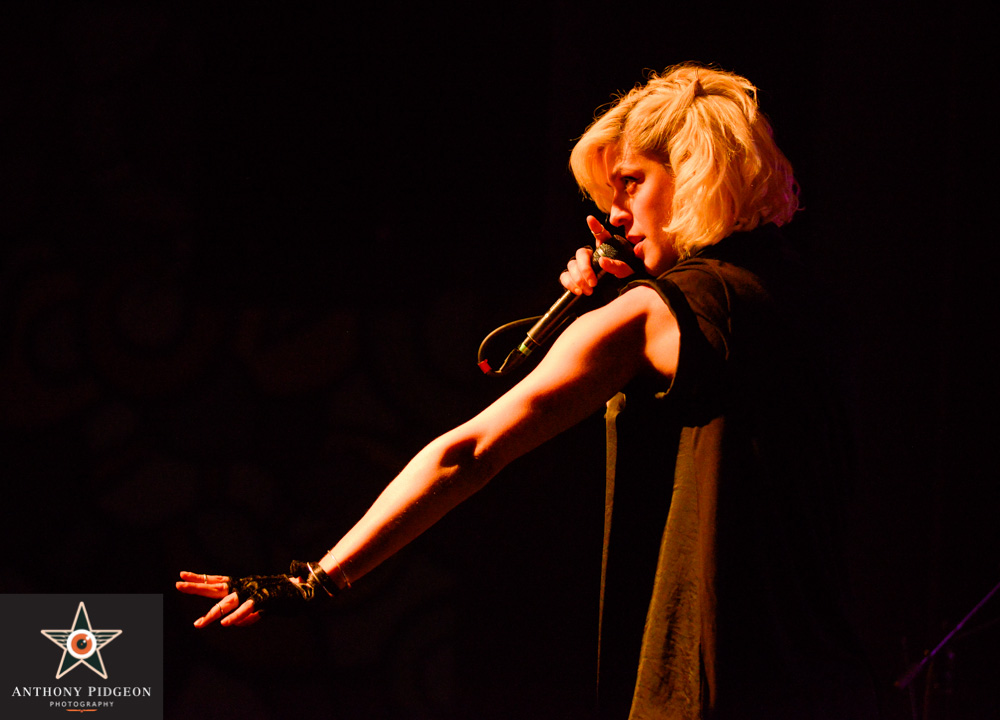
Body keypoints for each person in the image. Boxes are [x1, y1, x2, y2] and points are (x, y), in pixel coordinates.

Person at [178, 64, 878, 719]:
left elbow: (471, 451)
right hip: (835, 678)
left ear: (694, 171)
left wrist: (317, 579)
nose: (616, 212)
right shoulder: (809, 303)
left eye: (631, 183)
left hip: (714, 685)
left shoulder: (657, 314)